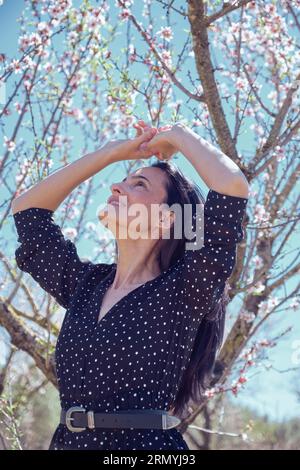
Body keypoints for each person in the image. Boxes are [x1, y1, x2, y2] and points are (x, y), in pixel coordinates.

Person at [11, 121, 249, 450]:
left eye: (138, 185)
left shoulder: (185, 287)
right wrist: (113, 153)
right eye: (121, 182)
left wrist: (177, 135)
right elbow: (27, 211)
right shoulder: (86, 285)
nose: (117, 189)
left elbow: (232, 185)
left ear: (169, 218)